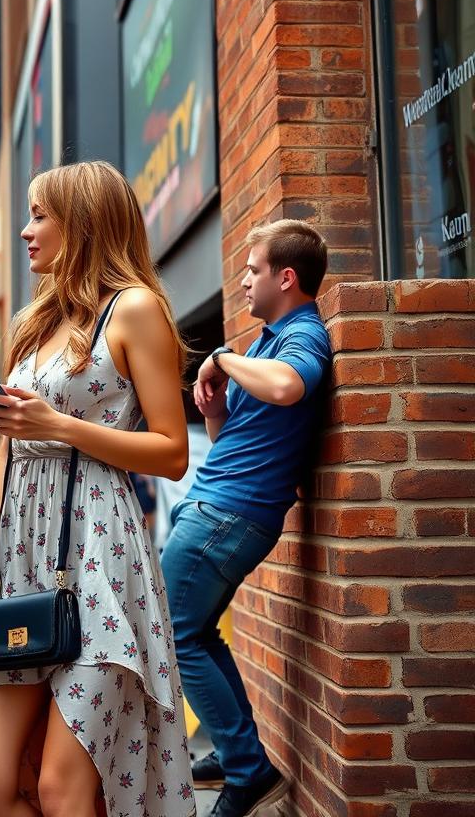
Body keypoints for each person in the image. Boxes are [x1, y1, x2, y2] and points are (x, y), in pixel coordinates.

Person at [0, 161, 195, 817]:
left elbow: (172, 452)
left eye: (41, 215)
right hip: (20, 556)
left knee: (66, 788)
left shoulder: (135, 309)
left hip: (99, 551)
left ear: (83, 224)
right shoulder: (37, 321)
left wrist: (59, 425)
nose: (28, 231)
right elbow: (11, 447)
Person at [162, 220, 332, 817]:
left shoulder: (302, 336)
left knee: (175, 631)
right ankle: (240, 756)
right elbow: (241, 434)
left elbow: (288, 388)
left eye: (253, 270)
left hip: (229, 515)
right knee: (196, 631)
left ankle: (246, 768)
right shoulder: (265, 339)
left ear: (286, 278)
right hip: (217, 505)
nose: (243, 280)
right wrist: (212, 411)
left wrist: (222, 360)